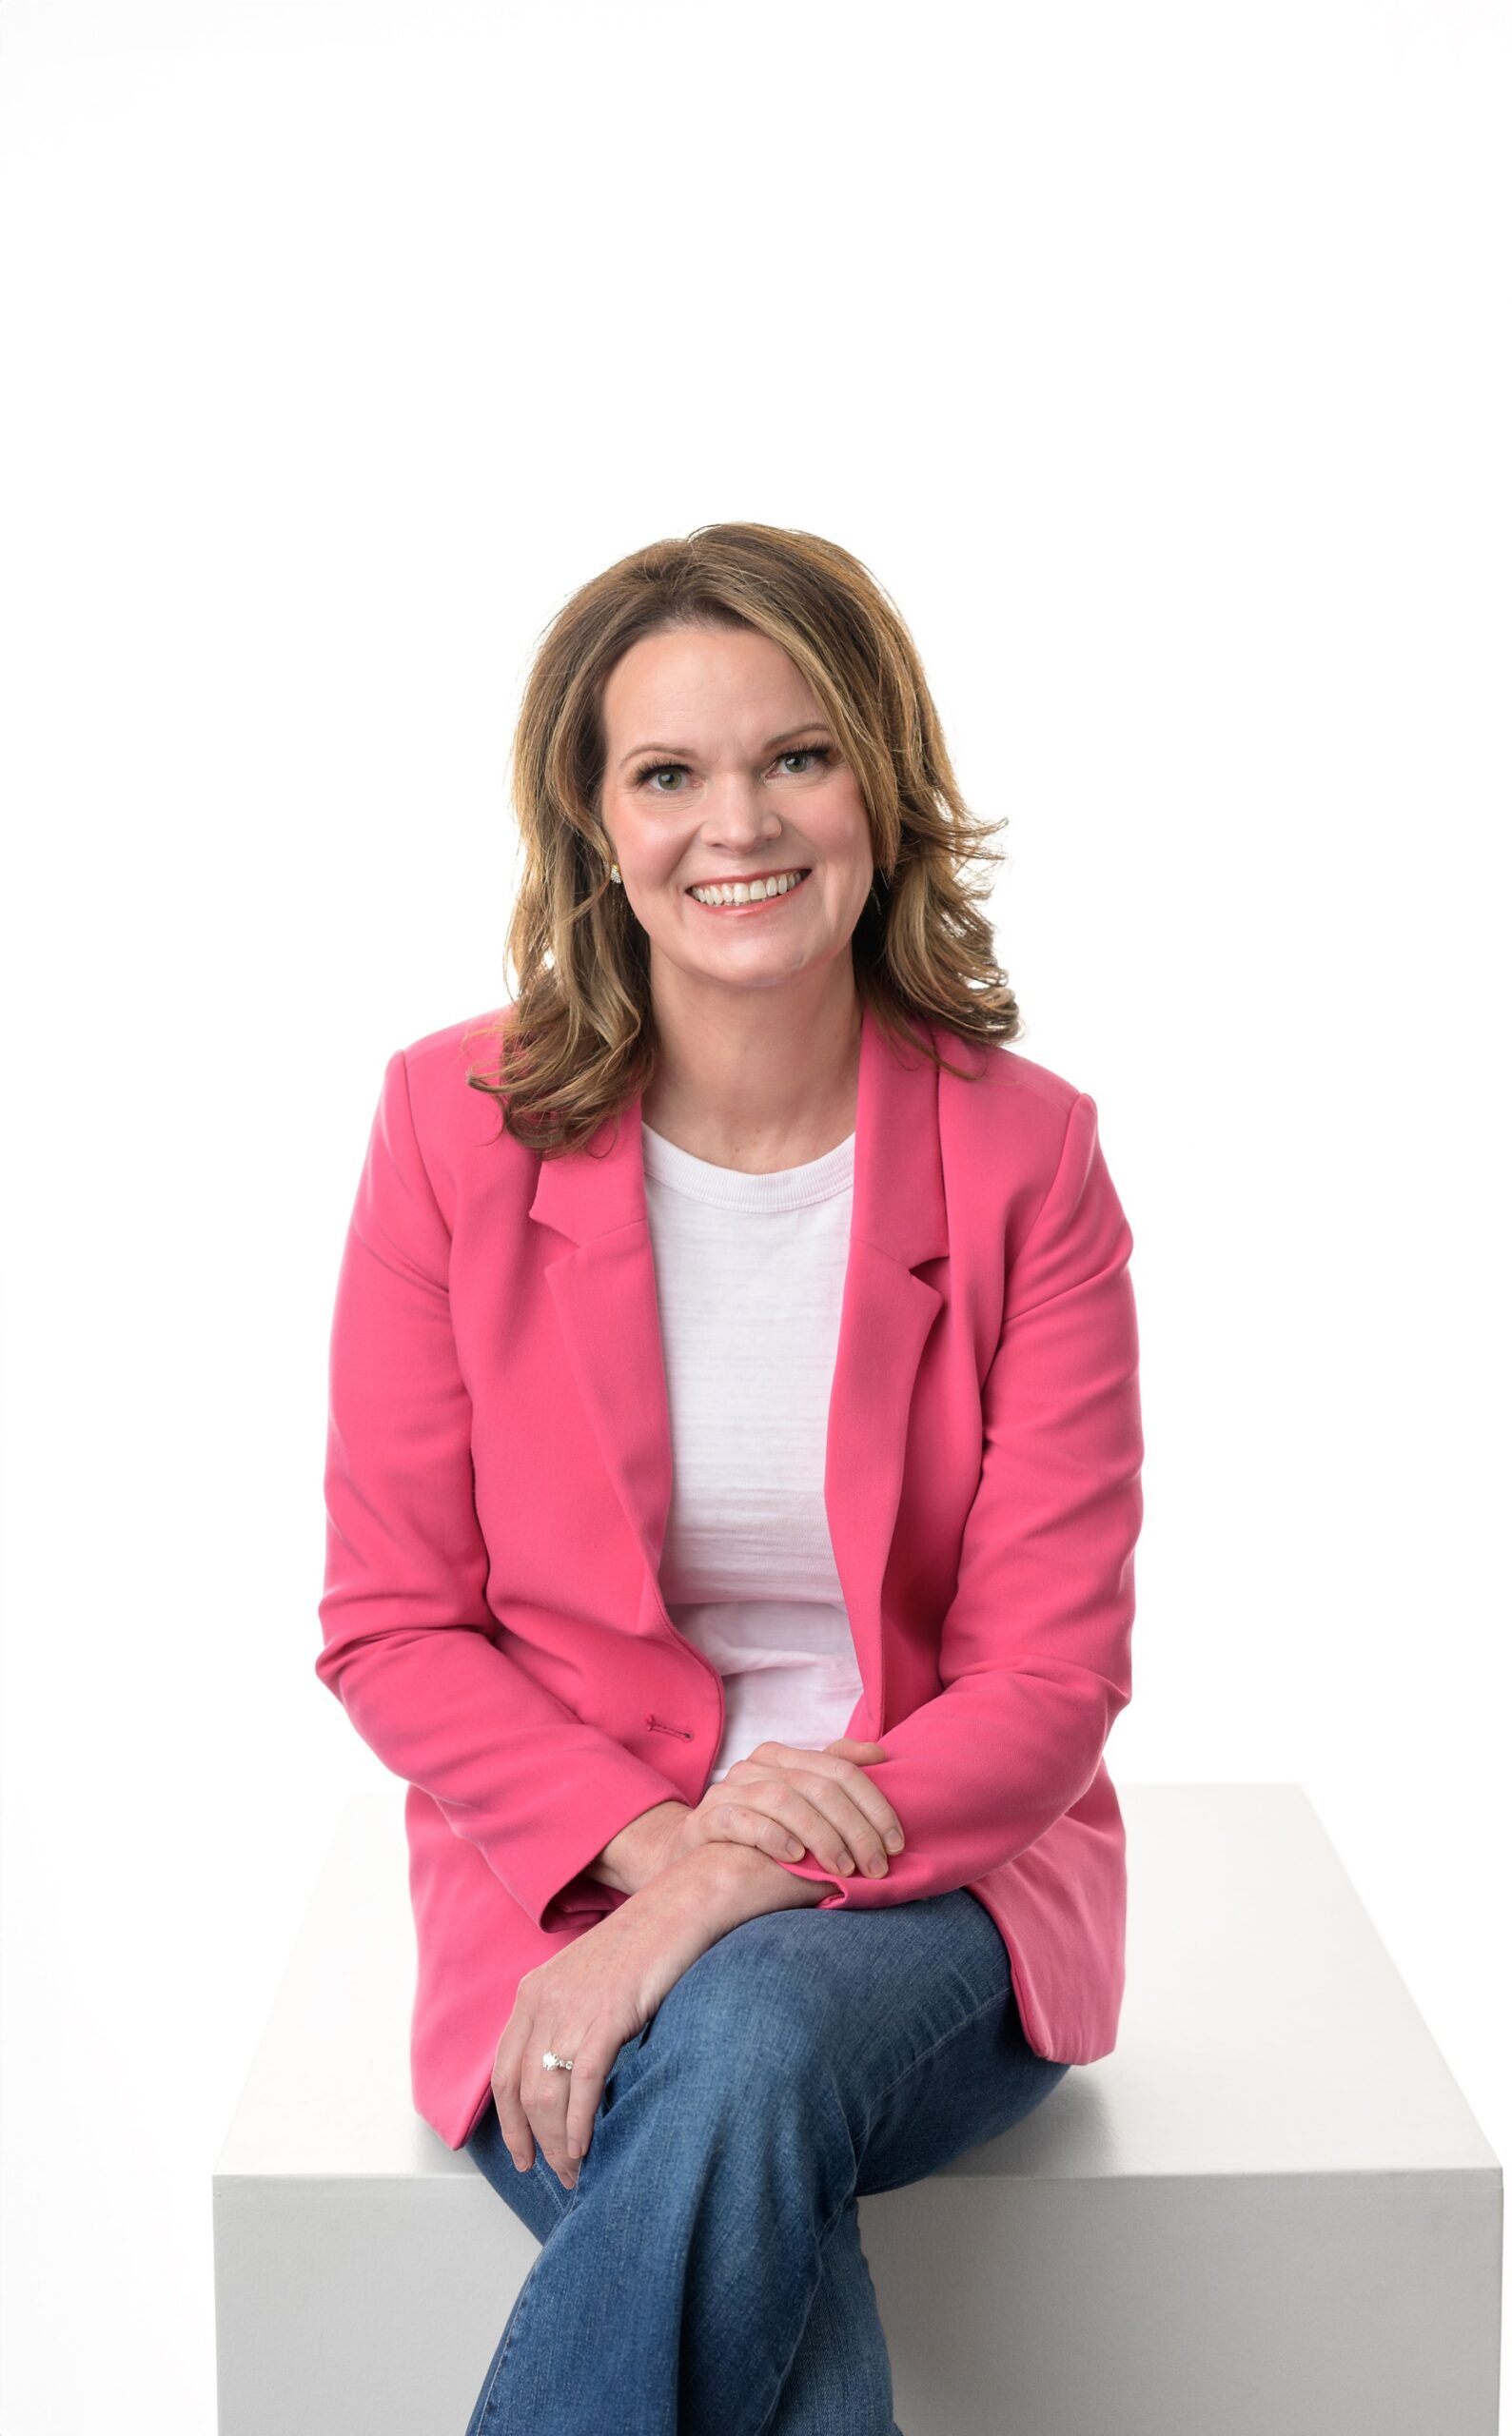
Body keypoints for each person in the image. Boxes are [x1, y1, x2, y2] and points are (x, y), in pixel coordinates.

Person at [315, 521, 1146, 2434]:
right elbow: (393, 1623)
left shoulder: (1027, 1161)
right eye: (664, 772)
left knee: (750, 2023)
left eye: (793, 754)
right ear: (593, 823)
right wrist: (647, 1848)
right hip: (559, 1878)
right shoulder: (449, 1130)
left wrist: (703, 1899)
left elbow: (1043, 1680)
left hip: (929, 1880)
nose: (734, 822)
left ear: (878, 776)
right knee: (752, 2155)